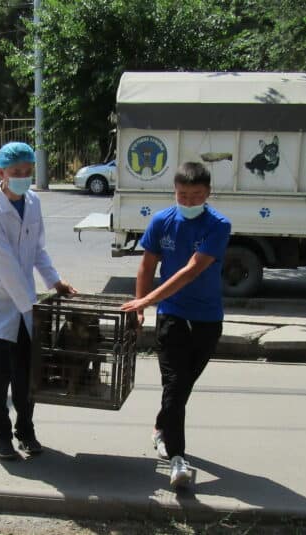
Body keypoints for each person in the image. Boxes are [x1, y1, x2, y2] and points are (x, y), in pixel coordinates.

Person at [120, 161, 231, 488]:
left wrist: (144, 301)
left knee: (181, 387)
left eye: (197, 196)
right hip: (172, 315)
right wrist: (141, 307)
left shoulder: (218, 226)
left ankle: (160, 426)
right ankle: (178, 460)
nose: (189, 202)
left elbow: (191, 270)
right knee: (175, 384)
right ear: (174, 192)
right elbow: (146, 265)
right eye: (183, 195)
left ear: (208, 193)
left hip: (208, 319)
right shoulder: (161, 221)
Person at [0, 141, 77, 461]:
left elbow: (37, 249)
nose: (23, 177)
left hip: (25, 300)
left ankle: (25, 429)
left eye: (28, 172)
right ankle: (1, 434)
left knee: (27, 372)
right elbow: (6, 268)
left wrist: (55, 281)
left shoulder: (33, 202)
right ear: (1, 172)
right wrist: (32, 306)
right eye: (16, 172)